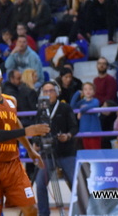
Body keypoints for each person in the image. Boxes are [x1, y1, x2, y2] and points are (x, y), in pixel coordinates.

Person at [0, 63, 48, 216]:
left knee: (31, 209)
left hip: (12, 164)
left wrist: (30, 150)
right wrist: (26, 131)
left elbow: (15, 123)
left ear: (1, 78)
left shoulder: (11, 100)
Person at [34, 81, 79, 216]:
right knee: (40, 183)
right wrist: (36, 142)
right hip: (47, 152)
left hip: (66, 151)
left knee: (75, 183)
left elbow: (74, 127)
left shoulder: (65, 107)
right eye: (45, 91)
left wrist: (68, 135)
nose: (48, 94)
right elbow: (36, 130)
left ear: (57, 92)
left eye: (51, 91)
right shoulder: (41, 110)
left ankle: (81, 211)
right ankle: (43, 213)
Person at [70, 82, 102, 150]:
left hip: (94, 131)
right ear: (83, 91)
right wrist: (77, 93)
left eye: (90, 89)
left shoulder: (95, 100)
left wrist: (81, 111)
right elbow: (72, 106)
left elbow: (94, 105)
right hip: (84, 131)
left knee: (95, 151)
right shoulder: (82, 102)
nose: (88, 91)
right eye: (85, 89)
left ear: (94, 92)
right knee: (87, 151)